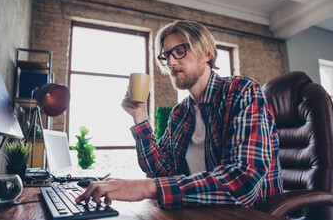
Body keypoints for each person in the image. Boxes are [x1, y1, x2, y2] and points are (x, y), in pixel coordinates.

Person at [76, 20, 283, 209]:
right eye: (166, 56)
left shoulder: (242, 91)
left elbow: (242, 182)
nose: (171, 62)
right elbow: (160, 171)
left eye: (180, 51)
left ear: (207, 53)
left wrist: (147, 188)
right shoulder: (180, 113)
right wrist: (140, 118)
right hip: (198, 216)